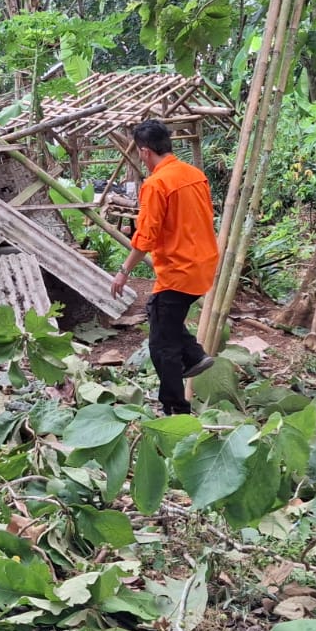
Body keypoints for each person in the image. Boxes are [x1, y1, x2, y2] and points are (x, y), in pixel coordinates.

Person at [111, 120, 220, 414]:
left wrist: (123, 271)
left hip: (179, 271)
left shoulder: (157, 184)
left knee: (161, 346)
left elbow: (146, 236)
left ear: (145, 152)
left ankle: (175, 408)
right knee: (162, 317)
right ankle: (195, 356)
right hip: (204, 264)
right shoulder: (195, 175)